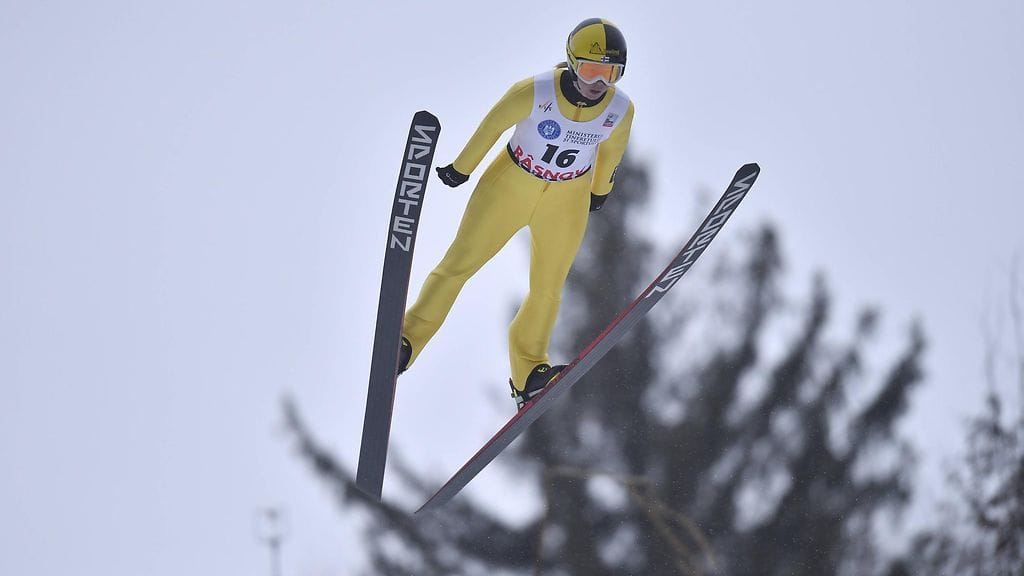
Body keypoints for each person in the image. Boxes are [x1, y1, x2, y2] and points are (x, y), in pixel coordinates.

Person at [399, 17, 635, 411]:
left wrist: (600, 191)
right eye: (591, 69)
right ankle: (406, 339)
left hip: (566, 199)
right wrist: (463, 166)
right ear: (572, 62)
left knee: (548, 288)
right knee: (460, 264)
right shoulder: (535, 90)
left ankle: (528, 373)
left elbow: (612, 152)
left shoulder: (620, 110)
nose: (599, 83)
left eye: (610, 74)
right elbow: (492, 125)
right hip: (510, 186)